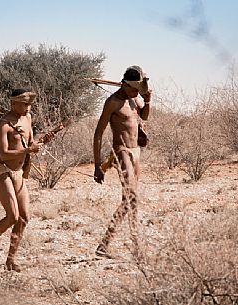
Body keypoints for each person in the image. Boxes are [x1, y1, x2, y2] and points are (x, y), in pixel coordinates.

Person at [0, 88, 45, 272]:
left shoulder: (28, 118)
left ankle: (11, 260)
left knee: (24, 217)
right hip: (2, 171)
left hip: (18, 173)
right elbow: (4, 153)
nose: (28, 107)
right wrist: (27, 151)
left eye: (29, 104)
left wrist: (35, 145)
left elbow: (28, 142)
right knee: (12, 216)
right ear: (13, 103)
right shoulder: (3, 124)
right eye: (24, 104)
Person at [93, 65, 151, 258]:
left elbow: (143, 117)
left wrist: (148, 101)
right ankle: (136, 247)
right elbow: (98, 133)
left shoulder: (134, 98)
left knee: (129, 201)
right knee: (132, 197)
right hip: (122, 151)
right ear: (124, 84)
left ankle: (104, 245)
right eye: (134, 88)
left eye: (138, 90)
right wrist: (97, 165)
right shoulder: (113, 102)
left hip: (136, 152)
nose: (137, 92)